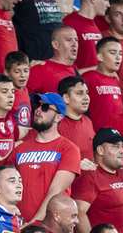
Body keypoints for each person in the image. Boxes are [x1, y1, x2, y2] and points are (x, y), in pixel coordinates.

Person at [15, 92, 81, 224]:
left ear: (58, 117)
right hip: (21, 226)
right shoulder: (19, 149)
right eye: (37, 105)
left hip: (52, 228)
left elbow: (54, 193)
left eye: (45, 107)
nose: (38, 110)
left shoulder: (69, 149)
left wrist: (34, 224)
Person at [82, 37, 123, 131]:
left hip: (118, 135)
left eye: (120, 53)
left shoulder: (115, 79)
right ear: (100, 57)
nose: (118, 57)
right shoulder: (89, 77)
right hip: (97, 134)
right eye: (113, 53)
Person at [26, 27, 79, 97]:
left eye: (76, 40)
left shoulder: (74, 68)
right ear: (55, 45)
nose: (75, 44)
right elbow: (21, 97)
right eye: (69, 40)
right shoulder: (39, 69)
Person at [62, 0, 109, 68]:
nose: (108, 5)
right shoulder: (68, 23)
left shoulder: (95, 26)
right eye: (106, 0)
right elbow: (61, 66)